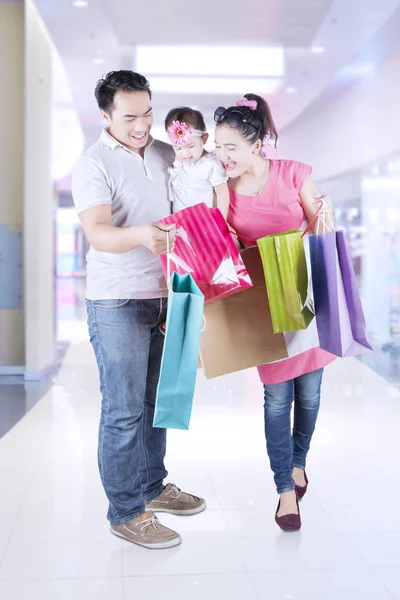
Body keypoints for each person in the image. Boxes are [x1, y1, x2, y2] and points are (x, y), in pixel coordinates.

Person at [71, 70, 206, 550]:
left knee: (155, 404)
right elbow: (99, 233)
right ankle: (127, 510)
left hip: (165, 293)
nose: (143, 124)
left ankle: (153, 486)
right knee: (124, 410)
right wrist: (143, 236)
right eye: (130, 117)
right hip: (117, 300)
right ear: (105, 116)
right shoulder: (92, 165)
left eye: (148, 112)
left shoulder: (165, 151)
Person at [214, 94, 336, 531]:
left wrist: (325, 215)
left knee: (310, 395)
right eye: (218, 147)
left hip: (306, 298)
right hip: (263, 306)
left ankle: (299, 461)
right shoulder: (223, 191)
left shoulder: (294, 174)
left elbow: (320, 230)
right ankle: (285, 488)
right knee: (276, 399)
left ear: (256, 144)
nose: (222, 156)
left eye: (230, 148)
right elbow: (222, 245)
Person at [165, 106, 229, 218]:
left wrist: (222, 220)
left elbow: (222, 194)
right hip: (179, 220)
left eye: (190, 146)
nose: (185, 154)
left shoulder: (211, 164)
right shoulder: (178, 161)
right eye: (178, 148)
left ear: (204, 139)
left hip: (203, 220)